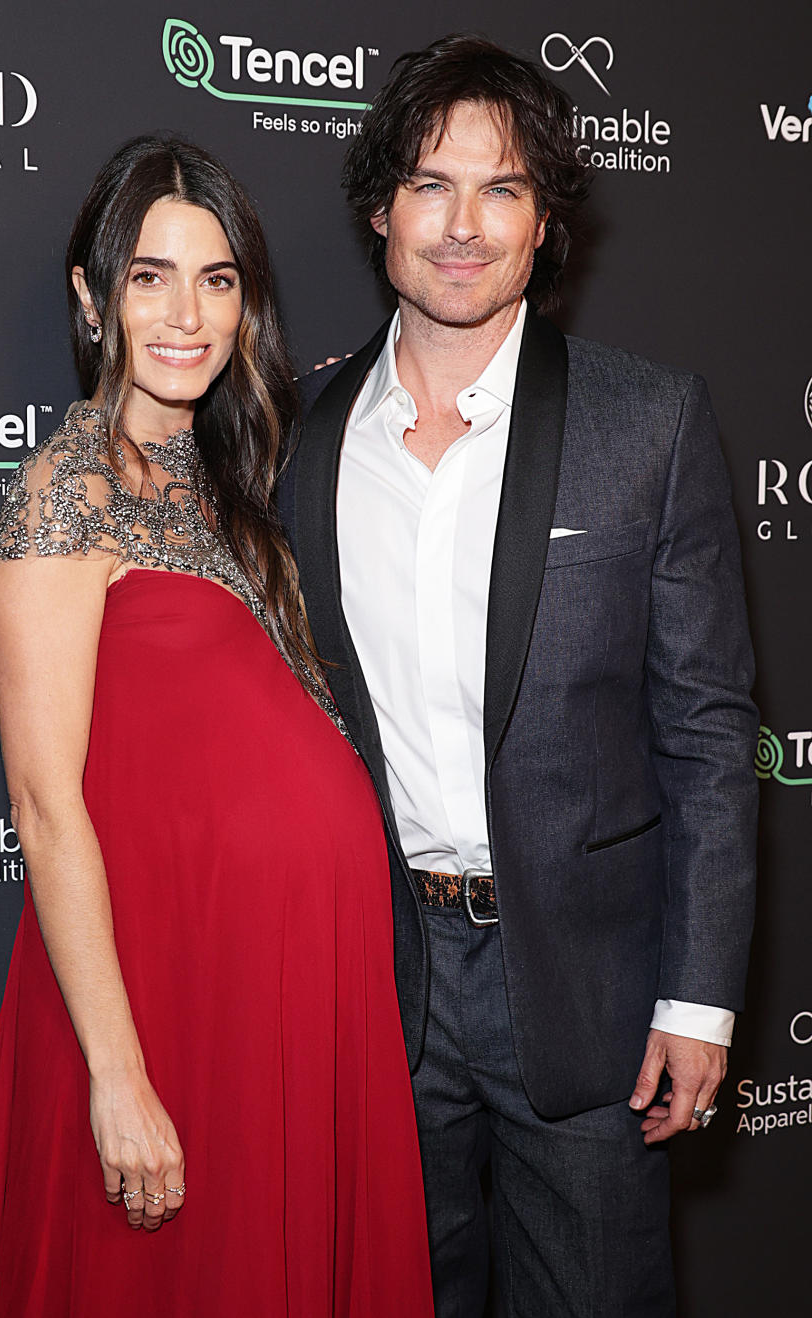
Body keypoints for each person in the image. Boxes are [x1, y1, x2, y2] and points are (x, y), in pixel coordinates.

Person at [0, 134, 433, 1318]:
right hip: (168, 994)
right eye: (151, 276)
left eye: (219, 277)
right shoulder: (67, 483)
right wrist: (119, 1073)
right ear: (94, 298)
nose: (188, 312)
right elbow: (45, 806)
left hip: (293, 994)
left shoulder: (239, 479)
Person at [279, 34, 758, 1318]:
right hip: (374, 985)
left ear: (546, 222)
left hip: (589, 991)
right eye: (431, 184)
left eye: (502, 189)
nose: (462, 226)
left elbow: (708, 733)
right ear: (381, 207)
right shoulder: (295, 439)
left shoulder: (646, 421)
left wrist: (700, 1001)